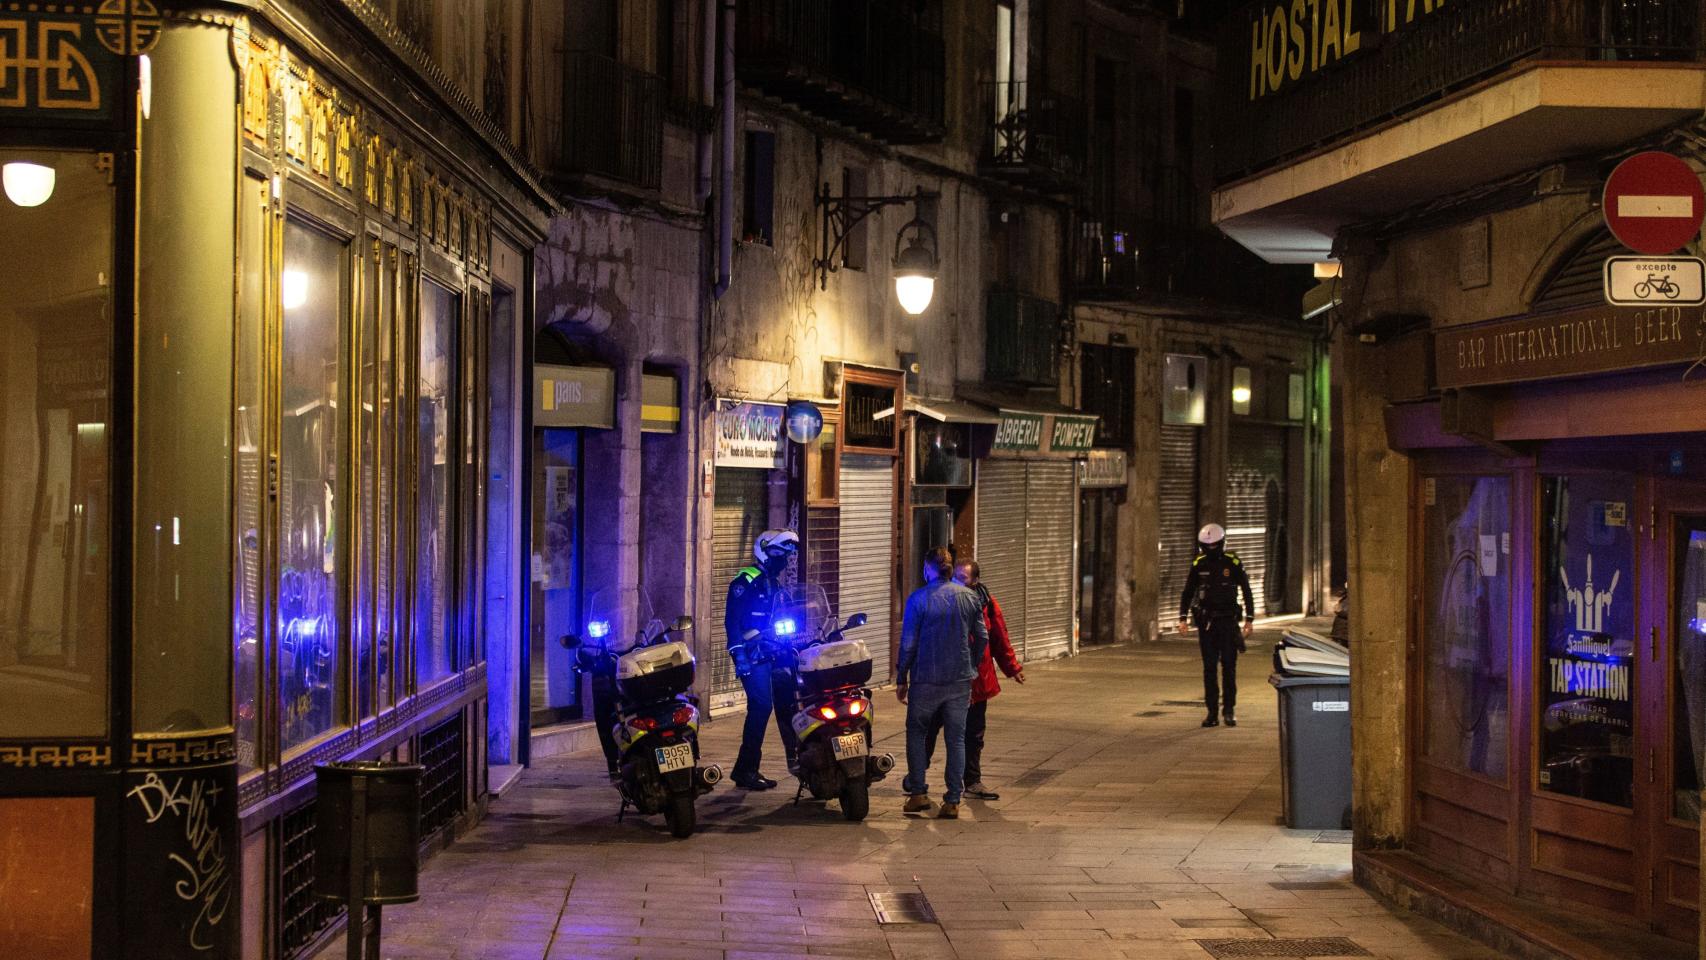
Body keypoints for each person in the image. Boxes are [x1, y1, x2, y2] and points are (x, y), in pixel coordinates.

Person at [897, 547, 989, 819]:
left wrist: (902, 677)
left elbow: (909, 643)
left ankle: (918, 793)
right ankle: (952, 800)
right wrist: (972, 665)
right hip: (959, 679)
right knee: (956, 738)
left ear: (928, 569)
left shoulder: (918, 599)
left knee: (917, 733)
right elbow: (982, 636)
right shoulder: (969, 597)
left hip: (925, 678)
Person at [923, 559, 1023, 800]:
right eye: (955, 577)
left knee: (974, 734)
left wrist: (1012, 668)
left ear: (975, 581)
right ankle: (917, 775)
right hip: (945, 680)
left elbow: (999, 638)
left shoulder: (987, 604)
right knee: (930, 727)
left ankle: (972, 781)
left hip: (976, 682)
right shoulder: (942, 600)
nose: (958, 582)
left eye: (963, 578)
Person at [725, 528, 802, 790]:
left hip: (775, 651)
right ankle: (746, 770)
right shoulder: (745, 581)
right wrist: (738, 655)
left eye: (786, 556)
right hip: (752, 653)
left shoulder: (775, 584)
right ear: (764, 551)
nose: (783, 560)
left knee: (791, 702)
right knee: (760, 706)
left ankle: (801, 761)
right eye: (778, 554)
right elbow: (732, 622)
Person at [1177, 522, 1254, 727]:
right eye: (1207, 546)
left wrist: (1249, 619)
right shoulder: (1199, 563)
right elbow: (1188, 592)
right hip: (1207, 624)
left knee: (1229, 667)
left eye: (1214, 545)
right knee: (1209, 668)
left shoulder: (1233, 562)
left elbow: (1246, 590)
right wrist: (1182, 618)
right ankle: (1212, 712)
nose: (1211, 549)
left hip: (1228, 622)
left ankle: (1229, 710)